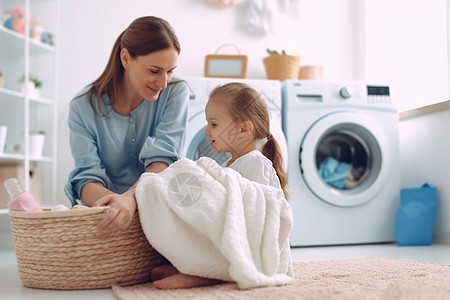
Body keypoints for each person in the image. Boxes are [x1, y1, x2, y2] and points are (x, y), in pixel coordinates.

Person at [150, 82, 289, 289]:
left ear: (243, 129)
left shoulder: (255, 162)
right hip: (235, 237)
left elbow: (255, 218)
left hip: (253, 248)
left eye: (213, 124)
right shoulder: (228, 164)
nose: (207, 131)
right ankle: (200, 267)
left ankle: (209, 273)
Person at [64, 16, 189, 231]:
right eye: (154, 70)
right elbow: (86, 178)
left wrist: (131, 199)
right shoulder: (82, 106)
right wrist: (119, 206)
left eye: (170, 71)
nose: (163, 83)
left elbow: (163, 158)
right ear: (125, 58)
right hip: (107, 210)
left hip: (159, 205)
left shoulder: (176, 92)